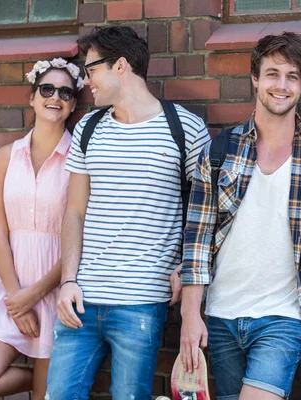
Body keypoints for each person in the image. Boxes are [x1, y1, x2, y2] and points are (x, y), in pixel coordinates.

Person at [179, 32, 301, 400]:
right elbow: (197, 239)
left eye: (292, 76)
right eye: (272, 74)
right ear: (255, 78)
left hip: (284, 317)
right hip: (221, 316)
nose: (281, 85)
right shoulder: (220, 150)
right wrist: (190, 316)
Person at [46, 26, 210, 399]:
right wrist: (68, 280)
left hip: (141, 302)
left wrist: (187, 265)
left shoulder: (185, 128)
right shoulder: (88, 128)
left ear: (120, 66)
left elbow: (205, 213)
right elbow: (74, 212)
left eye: (91, 71)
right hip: (82, 300)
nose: (88, 83)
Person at [0, 58, 82, 400]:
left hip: (57, 289)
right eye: (46, 89)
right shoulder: (5, 157)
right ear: (32, 97)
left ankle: (44, 382)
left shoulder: (80, 159)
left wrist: (36, 294)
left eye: (65, 92)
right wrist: (17, 299)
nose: (54, 97)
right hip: (8, 289)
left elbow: (79, 236)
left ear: (72, 104)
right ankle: (33, 378)